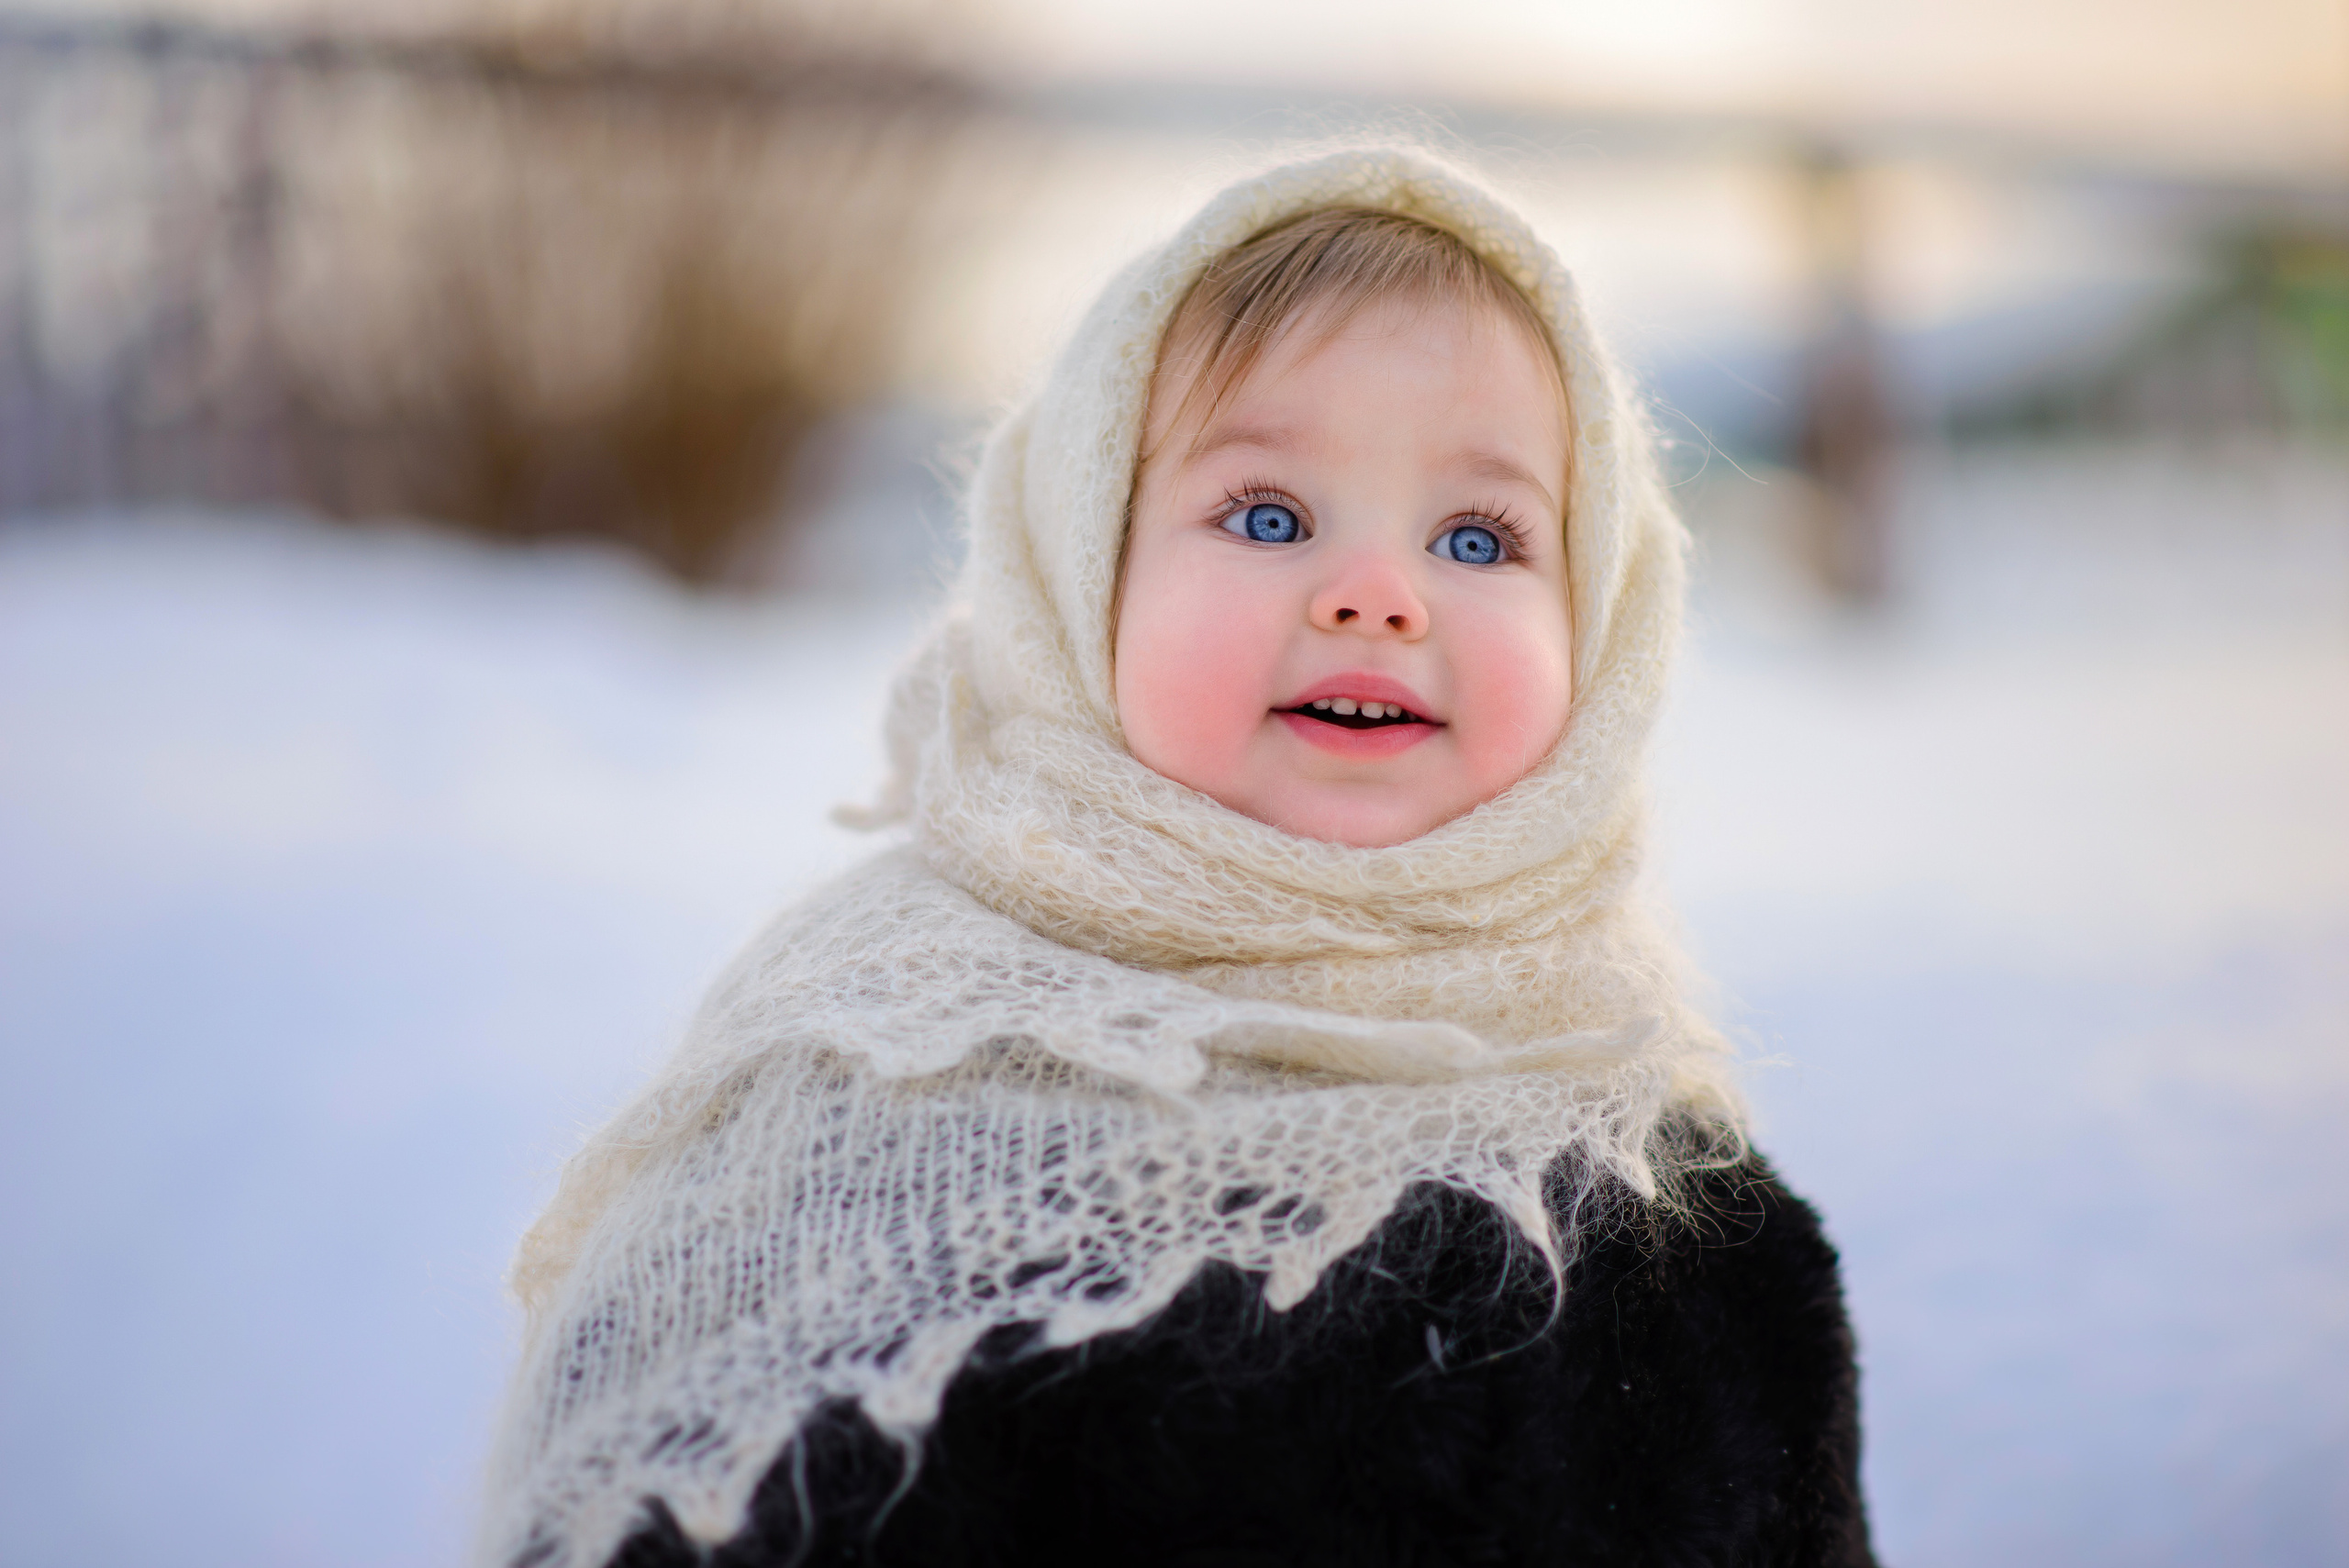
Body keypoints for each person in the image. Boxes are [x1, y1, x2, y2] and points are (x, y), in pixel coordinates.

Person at [477, 149, 1875, 1568]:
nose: (1376, 596)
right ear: (1084, 575)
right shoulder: (871, 1092)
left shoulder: (1685, 1202)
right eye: (1269, 516)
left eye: (1477, 535)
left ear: (1603, 619)